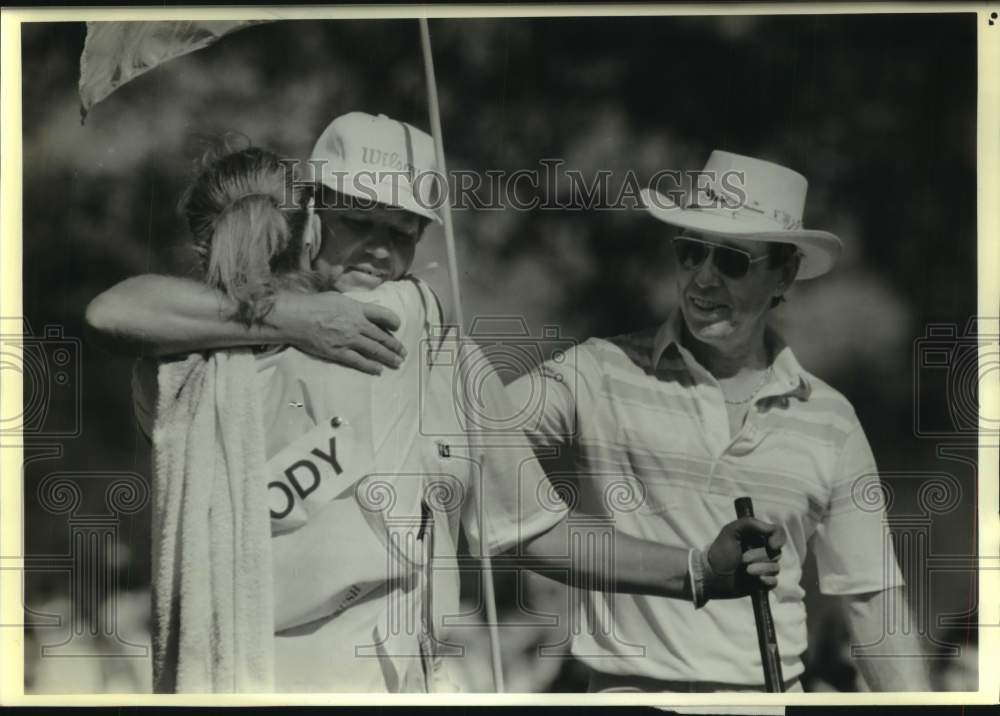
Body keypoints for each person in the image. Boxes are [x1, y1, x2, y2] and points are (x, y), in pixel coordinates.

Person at [85, 118, 787, 693]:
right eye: (361, 220)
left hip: (397, 676)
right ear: (311, 216)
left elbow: (534, 530)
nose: (383, 250)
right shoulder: (212, 355)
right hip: (251, 673)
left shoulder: (434, 348)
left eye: (404, 231)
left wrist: (695, 570)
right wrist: (298, 320)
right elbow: (113, 310)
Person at [505, 150, 930, 692]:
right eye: (690, 253)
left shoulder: (831, 419)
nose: (702, 279)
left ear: (786, 273)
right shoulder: (596, 370)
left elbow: (872, 601)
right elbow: (469, 437)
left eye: (731, 261)